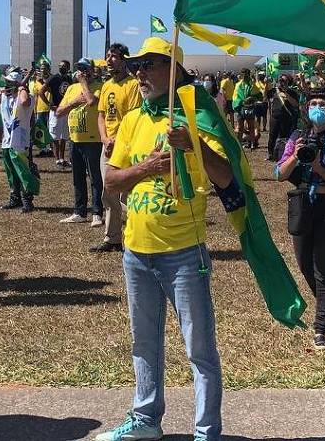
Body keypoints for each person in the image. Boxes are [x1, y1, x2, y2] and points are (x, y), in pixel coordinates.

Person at [100, 37, 233, 441]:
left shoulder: (198, 116)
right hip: (136, 252)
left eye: (151, 64)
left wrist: (192, 143)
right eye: (137, 65)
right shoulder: (134, 119)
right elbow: (109, 182)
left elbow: (226, 177)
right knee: (144, 343)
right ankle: (146, 421)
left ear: (174, 71)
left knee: (199, 350)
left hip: (183, 254)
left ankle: (206, 431)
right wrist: (147, 167)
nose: (140, 72)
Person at [275, 87, 325, 350]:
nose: (317, 108)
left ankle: (321, 327)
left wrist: (318, 168)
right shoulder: (297, 137)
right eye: (313, 104)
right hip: (303, 208)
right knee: (304, 265)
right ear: (306, 110)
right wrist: (297, 157)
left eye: (323, 104)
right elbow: (280, 173)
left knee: (323, 268)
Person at [92, 43, 141, 252]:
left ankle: (135, 234)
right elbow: (101, 115)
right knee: (108, 190)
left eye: (114, 57)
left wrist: (117, 142)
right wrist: (104, 138)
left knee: (126, 193)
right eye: (108, 56)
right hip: (108, 145)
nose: (109, 60)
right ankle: (112, 238)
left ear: (124, 60)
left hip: (125, 145)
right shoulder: (106, 86)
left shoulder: (133, 85)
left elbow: (132, 117)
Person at [58, 60, 104, 225]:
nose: (82, 72)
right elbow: (58, 112)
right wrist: (74, 102)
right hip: (75, 138)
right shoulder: (71, 89)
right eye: (79, 69)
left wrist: (84, 83)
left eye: (85, 69)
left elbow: (91, 101)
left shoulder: (101, 86)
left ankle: (97, 212)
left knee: (95, 177)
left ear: (92, 70)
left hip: (93, 140)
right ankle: (80, 211)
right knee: (78, 177)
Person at [0, 68, 38, 212]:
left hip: (21, 141)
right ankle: (15, 197)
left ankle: (27, 200)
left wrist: (21, 88)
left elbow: (24, 102)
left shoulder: (27, 96)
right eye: (6, 81)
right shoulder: (6, 98)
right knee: (11, 172)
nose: (7, 84)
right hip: (7, 142)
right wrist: (0, 95)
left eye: (10, 82)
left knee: (23, 171)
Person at [39, 60, 72, 168]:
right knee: (55, 136)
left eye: (64, 66)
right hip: (56, 110)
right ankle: (57, 158)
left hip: (66, 109)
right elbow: (41, 92)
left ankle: (62, 158)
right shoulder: (54, 78)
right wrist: (49, 104)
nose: (61, 67)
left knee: (64, 136)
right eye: (60, 66)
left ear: (68, 68)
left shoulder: (69, 79)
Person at [267, 74, 299, 161]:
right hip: (275, 116)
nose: (282, 83)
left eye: (284, 81)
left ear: (288, 82)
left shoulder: (292, 92)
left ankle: (283, 154)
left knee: (284, 136)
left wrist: (286, 93)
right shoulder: (274, 91)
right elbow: (265, 97)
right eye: (281, 80)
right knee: (272, 135)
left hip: (286, 117)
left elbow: (295, 104)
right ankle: (270, 153)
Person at [233, 68, 263, 149]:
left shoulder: (252, 84)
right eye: (243, 74)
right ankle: (238, 144)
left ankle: (253, 143)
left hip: (250, 109)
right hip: (240, 109)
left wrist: (251, 98)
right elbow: (235, 97)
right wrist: (240, 102)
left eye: (246, 74)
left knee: (251, 127)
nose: (245, 75)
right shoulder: (238, 85)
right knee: (240, 128)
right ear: (241, 75)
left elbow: (259, 95)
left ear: (249, 74)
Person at [30, 62, 52, 156]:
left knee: (50, 128)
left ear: (49, 69)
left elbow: (52, 90)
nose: (43, 70)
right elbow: (35, 95)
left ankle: (52, 148)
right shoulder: (36, 82)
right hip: (39, 108)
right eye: (41, 68)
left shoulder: (51, 79)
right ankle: (43, 148)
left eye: (45, 68)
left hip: (51, 107)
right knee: (42, 129)